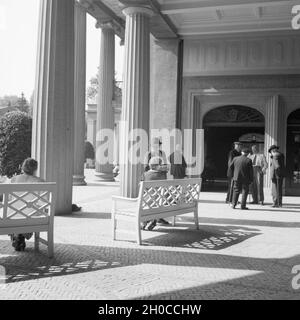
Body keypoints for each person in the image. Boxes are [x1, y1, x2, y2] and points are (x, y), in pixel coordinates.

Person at [10, 158, 45, 251]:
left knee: (12, 211)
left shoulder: (14, 179)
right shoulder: (40, 181)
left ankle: (17, 234)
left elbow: (9, 198)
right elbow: (43, 202)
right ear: (35, 169)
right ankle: (21, 235)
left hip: (12, 216)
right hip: (30, 216)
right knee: (33, 212)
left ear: (23, 167)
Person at [144, 137, 169, 225]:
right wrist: (158, 168)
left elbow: (166, 167)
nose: (156, 146)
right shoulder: (149, 154)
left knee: (161, 198)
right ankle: (152, 217)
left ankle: (158, 217)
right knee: (152, 198)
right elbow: (146, 168)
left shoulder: (163, 153)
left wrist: (158, 168)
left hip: (161, 178)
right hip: (152, 180)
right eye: (154, 145)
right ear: (151, 145)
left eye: (158, 144)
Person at [141, 157, 167, 231]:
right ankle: (153, 219)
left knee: (147, 200)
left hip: (148, 202)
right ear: (158, 166)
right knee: (155, 199)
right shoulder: (163, 175)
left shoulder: (145, 174)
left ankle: (145, 221)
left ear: (150, 165)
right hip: (161, 201)